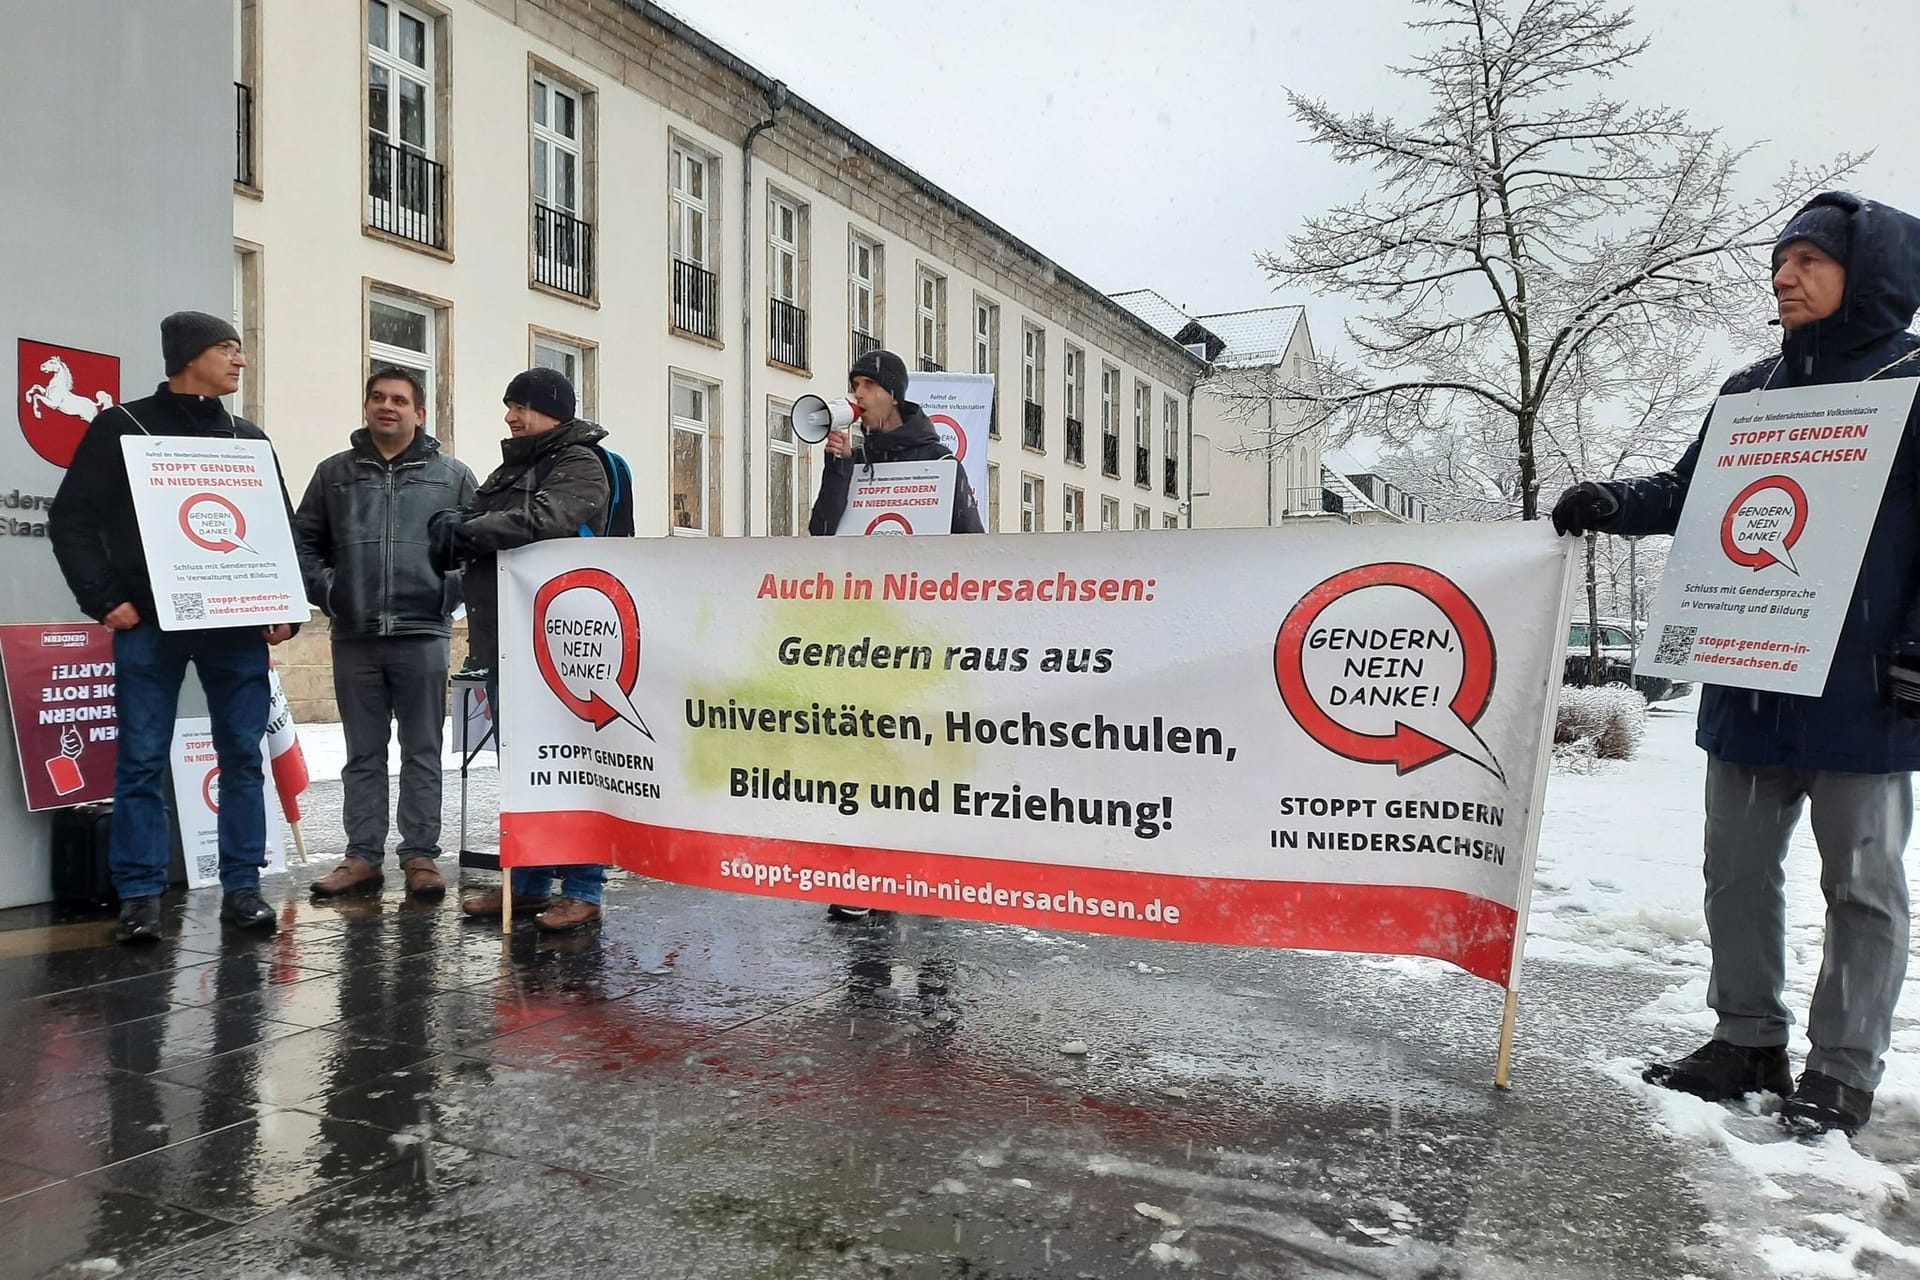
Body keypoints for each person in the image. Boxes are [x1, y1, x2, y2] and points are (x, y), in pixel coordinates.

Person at [1551, 192, 1920, 1136]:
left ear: (1868, 274)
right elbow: (1692, 492)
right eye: (1779, 261)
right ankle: (1747, 1038)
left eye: (1808, 261)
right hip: (1752, 673)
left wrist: (1916, 646)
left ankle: (1841, 1072)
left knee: (1864, 887)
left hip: (1865, 688)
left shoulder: (1916, 381)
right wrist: (1612, 501)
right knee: (1737, 872)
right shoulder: (1749, 391)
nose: (1783, 277)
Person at [48, 312, 302, 943]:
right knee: (138, 760)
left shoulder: (249, 439)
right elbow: (71, 521)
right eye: (228, 349)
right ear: (190, 357)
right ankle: (138, 896)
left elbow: (278, 531)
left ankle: (242, 888)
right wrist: (105, 599)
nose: (240, 362)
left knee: (243, 756)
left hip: (235, 628)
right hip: (150, 625)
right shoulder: (120, 427)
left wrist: (284, 607)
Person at [430, 367, 612, 932]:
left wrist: (471, 530)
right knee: (525, 772)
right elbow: (489, 520)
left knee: (578, 768)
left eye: (522, 407)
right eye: (510, 406)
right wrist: (454, 525)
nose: (511, 417)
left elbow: (546, 519)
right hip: (505, 640)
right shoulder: (513, 467)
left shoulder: (581, 463)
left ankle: (583, 887)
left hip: (561, 648)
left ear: (554, 411)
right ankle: (529, 883)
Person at [808, 349, 983, 920]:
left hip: (919, 631)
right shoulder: (854, 457)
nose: (857, 393)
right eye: (852, 382)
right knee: (861, 756)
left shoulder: (937, 460)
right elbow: (823, 531)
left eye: (866, 384)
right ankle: (862, 876)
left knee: (911, 757)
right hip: (861, 631)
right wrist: (837, 466)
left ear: (892, 394)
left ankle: (916, 870)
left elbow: (969, 545)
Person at [295, 367, 476, 901]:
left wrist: (448, 593)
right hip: (355, 635)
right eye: (377, 397)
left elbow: (477, 545)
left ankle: (420, 856)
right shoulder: (334, 475)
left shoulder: (453, 476)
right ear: (366, 407)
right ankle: (361, 857)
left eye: (399, 400)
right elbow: (303, 542)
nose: (386, 406)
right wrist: (331, 591)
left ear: (420, 413)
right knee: (362, 753)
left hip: (424, 634)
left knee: (423, 749)